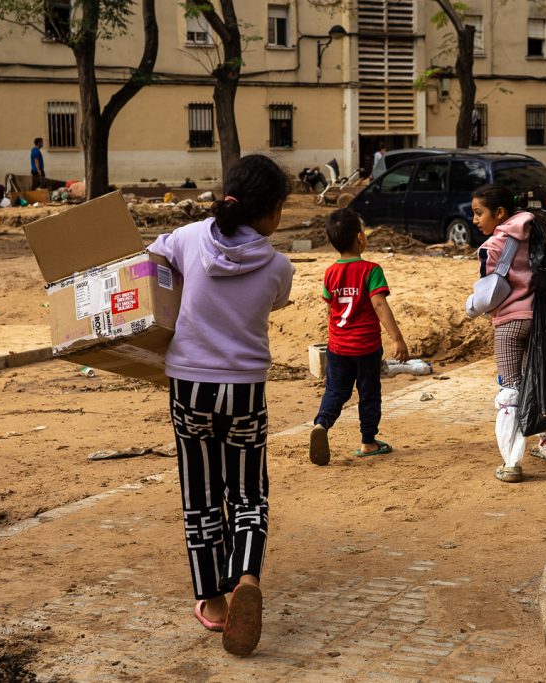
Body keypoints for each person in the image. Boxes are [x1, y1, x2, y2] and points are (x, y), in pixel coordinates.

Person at [146, 154, 295, 657]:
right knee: (249, 491)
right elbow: (272, 303)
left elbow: (150, 260)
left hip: (189, 385)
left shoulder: (189, 239)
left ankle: (212, 601)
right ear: (271, 211)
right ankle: (246, 576)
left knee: (201, 492)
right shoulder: (279, 266)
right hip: (246, 388)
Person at [470, 184, 546, 482]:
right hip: (538, 320)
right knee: (538, 381)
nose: (475, 220)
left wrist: (472, 308)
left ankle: (511, 462)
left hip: (509, 325)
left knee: (510, 390)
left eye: (478, 213)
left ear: (500, 213)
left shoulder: (493, 246)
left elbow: (490, 293)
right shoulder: (536, 230)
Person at [308, 207, 409, 466]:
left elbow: (331, 308)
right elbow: (379, 305)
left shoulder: (330, 272)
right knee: (369, 393)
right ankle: (368, 442)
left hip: (338, 346)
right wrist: (397, 338)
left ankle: (321, 423)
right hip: (366, 347)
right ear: (360, 238)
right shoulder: (371, 270)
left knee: (336, 390)